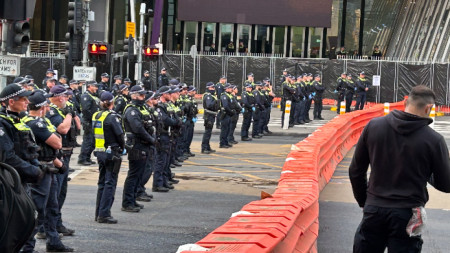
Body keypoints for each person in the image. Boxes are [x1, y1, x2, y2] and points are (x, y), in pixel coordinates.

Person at [349, 85, 450, 253]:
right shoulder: (434, 140)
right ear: (428, 108)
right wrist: (426, 173)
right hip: (409, 212)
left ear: (405, 102)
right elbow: (446, 184)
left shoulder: (373, 126)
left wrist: (365, 202)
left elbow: (356, 171)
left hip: (374, 208)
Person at [21, 92, 74, 252]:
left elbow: (53, 145)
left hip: (50, 166)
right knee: (37, 211)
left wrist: (58, 162)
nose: (48, 108)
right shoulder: (34, 123)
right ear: (42, 107)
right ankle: (27, 246)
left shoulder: (42, 121)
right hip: (40, 170)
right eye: (46, 105)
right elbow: (57, 143)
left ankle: (54, 242)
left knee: (52, 207)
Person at [47, 85, 78, 237]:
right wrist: (69, 114)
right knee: (54, 195)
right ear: (60, 97)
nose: (67, 99)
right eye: (65, 96)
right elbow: (63, 129)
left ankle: (57, 224)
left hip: (66, 154)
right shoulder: (52, 111)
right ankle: (47, 228)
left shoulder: (62, 110)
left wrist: (71, 114)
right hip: (57, 156)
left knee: (61, 194)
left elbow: (76, 128)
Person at [122, 86, 155, 211]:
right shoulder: (131, 110)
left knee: (139, 174)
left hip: (143, 144)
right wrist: (151, 139)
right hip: (136, 145)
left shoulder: (141, 108)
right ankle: (127, 203)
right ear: (134, 95)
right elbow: (138, 128)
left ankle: (133, 199)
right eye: (141, 95)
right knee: (134, 174)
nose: (144, 97)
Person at [93, 91, 125, 224]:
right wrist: (123, 148)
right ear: (112, 102)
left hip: (100, 152)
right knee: (110, 183)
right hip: (111, 153)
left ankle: (98, 212)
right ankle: (104, 214)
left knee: (102, 183)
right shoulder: (112, 117)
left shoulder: (97, 115)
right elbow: (120, 135)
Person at [154, 86, 181, 191]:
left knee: (166, 161)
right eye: (168, 93)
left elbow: (175, 116)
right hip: (162, 135)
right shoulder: (160, 106)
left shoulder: (167, 105)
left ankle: (164, 181)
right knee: (160, 161)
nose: (170, 95)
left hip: (169, 134)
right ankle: (158, 183)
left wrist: (176, 121)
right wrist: (175, 122)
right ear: (163, 94)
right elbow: (166, 120)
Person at [78, 81, 100, 165]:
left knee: (92, 141)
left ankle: (87, 157)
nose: (96, 88)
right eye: (95, 86)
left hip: (92, 122)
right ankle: (82, 158)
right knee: (88, 140)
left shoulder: (92, 96)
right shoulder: (86, 96)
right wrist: (93, 118)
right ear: (90, 86)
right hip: (88, 121)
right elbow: (86, 110)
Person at [201, 82, 219, 154]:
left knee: (209, 132)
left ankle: (207, 146)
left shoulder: (211, 95)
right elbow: (209, 105)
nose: (214, 89)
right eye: (212, 87)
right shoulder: (208, 96)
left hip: (211, 115)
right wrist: (215, 101)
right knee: (207, 132)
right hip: (208, 115)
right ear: (208, 88)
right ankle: (204, 147)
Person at [219, 84, 234, 148]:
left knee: (227, 129)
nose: (231, 89)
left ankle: (226, 142)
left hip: (228, 114)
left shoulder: (229, 95)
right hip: (225, 114)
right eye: (230, 88)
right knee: (224, 130)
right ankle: (222, 143)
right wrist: (231, 112)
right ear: (226, 89)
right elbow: (225, 106)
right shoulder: (224, 96)